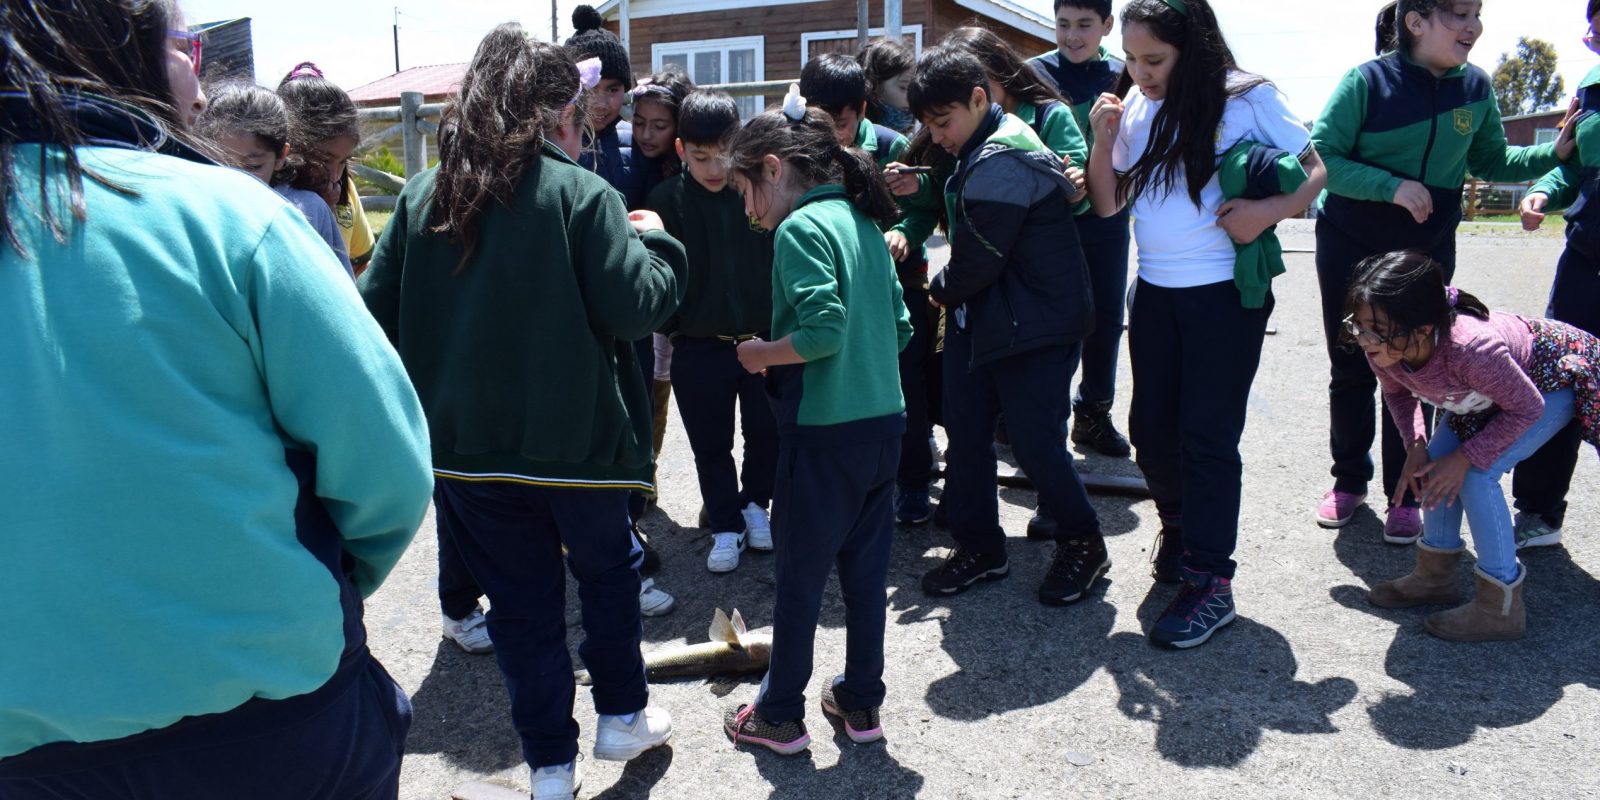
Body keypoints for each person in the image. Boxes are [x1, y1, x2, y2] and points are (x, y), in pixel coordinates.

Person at [0, 1, 434, 796]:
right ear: (119, 47)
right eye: (184, 45)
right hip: (268, 714)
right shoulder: (230, 217)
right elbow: (388, 467)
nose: (199, 83)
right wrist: (324, 585)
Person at [358, 26, 686, 799]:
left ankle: (549, 768)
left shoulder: (423, 195)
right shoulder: (583, 195)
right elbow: (635, 307)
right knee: (608, 576)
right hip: (579, 448)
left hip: (467, 453)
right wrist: (661, 246)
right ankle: (623, 715)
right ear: (560, 112)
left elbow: (372, 316)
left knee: (520, 608)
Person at [1086, 0, 1326, 649]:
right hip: (1155, 294)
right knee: (1149, 431)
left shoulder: (1247, 96)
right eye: (1131, 59)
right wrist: (1102, 139)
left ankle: (1212, 583)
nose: (1140, 73)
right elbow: (1106, 204)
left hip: (1225, 296)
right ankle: (1181, 528)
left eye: (1154, 60)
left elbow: (1315, 172)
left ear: (1191, 49)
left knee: (1207, 437)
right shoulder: (1135, 108)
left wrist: (1267, 212)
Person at [1310, 0, 1572, 541]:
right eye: (1459, 14)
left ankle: (1404, 493)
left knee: (1420, 364)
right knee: (1355, 363)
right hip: (1350, 242)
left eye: (1476, 13)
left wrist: (1556, 154)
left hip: (1425, 250)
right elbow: (1322, 158)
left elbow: (1492, 161)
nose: (1474, 26)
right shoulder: (1366, 82)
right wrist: (1391, 186)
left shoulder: (1475, 87)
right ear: (1416, 21)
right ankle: (1348, 479)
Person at [721, 86, 912, 755]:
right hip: (884, 427)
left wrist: (759, 354)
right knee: (865, 580)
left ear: (773, 168)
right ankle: (861, 701)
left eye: (745, 191)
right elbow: (902, 327)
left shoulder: (799, 230)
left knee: (800, 581)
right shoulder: (863, 223)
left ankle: (778, 714)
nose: (748, 210)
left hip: (824, 435)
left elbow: (823, 330)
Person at [907, 45, 1103, 609]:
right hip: (989, 318)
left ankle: (1084, 541)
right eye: (928, 125)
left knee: (1036, 443)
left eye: (943, 122)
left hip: (1034, 324)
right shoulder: (979, 145)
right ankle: (980, 546)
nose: (937, 136)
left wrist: (937, 291)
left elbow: (979, 260)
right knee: (967, 434)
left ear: (979, 98)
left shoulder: (1002, 155)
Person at [1353, 252, 1600, 641]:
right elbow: (1398, 394)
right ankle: (1435, 578)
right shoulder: (1384, 347)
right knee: (1434, 464)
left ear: (1422, 328)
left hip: (1552, 380)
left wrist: (1467, 456)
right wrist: (1415, 444)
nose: (1365, 339)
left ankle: (1500, 607)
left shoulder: (1471, 348)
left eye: (1377, 329)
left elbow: (1528, 407)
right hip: (1490, 391)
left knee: (1477, 476)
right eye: (1360, 325)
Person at [801, 53, 938, 526]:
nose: (833, 134)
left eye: (841, 123)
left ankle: (914, 480)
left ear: (862, 109)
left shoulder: (892, 145)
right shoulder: (802, 149)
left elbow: (926, 206)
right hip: (833, 290)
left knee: (907, 382)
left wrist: (905, 234)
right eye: (822, 122)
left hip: (899, 286)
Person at [647, 90, 779, 574]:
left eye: (724, 153)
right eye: (701, 157)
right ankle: (725, 524)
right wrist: (675, 328)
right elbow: (657, 272)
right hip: (699, 346)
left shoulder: (760, 190)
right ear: (681, 150)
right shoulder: (666, 201)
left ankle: (755, 504)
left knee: (766, 432)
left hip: (763, 341)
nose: (714, 167)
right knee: (709, 443)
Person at [1028, 0, 1136, 464]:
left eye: (1085, 25)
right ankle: (1029, 413)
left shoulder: (1124, 74)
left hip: (1107, 216)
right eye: (1064, 24)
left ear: (1107, 25)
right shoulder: (1033, 73)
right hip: (1047, 217)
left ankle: (1093, 411)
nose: (1073, 35)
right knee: (1044, 317)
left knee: (1106, 317)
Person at [1510, 0, 1600, 551]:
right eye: (1595, 29)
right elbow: (1574, 165)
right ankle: (1539, 510)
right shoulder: (1590, 88)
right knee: (1558, 373)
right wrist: (1544, 191)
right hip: (1586, 263)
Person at [196, 82, 354, 278]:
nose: (236, 179)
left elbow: (339, 287)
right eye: (220, 164)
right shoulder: (194, 212)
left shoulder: (309, 211)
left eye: (253, 166)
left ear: (281, 156)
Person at [275, 62, 375, 272]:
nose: (334, 175)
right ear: (289, 148)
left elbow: (361, 262)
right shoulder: (272, 195)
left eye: (343, 161)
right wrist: (323, 213)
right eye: (323, 160)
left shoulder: (345, 189)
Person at [565, 5, 641, 207]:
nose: (600, 104)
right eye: (589, 89)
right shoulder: (556, 144)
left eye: (612, 89)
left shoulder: (639, 141)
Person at [858, 37, 917, 134]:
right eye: (903, 87)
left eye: (912, 88)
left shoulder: (912, 137)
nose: (911, 96)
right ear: (874, 85)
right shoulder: (855, 135)